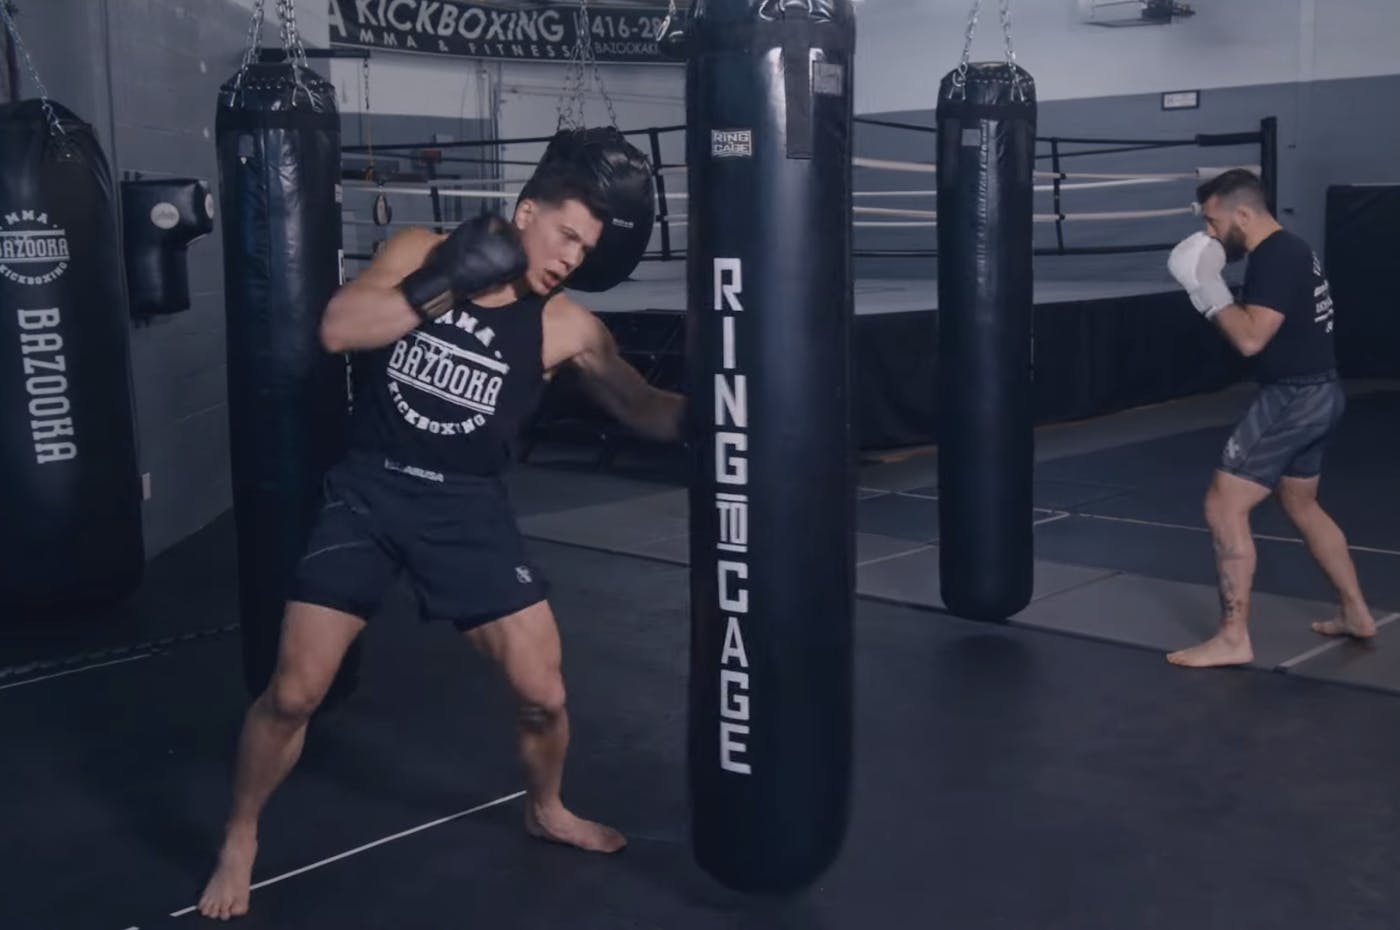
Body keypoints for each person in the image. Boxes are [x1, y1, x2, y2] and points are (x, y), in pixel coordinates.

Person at [197, 159, 685, 920]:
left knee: (544, 695)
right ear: (526, 212)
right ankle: (240, 833)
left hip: (466, 510)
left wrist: (736, 400)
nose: (570, 258)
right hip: (369, 491)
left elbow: (643, 407)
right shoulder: (420, 251)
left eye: (585, 250)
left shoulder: (568, 326)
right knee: (293, 693)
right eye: (565, 235)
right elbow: (338, 329)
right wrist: (446, 281)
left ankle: (546, 808)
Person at [1163, 167, 1375, 668]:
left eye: (1214, 222)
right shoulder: (1292, 249)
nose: (1211, 234)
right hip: (1323, 392)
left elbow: (1251, 339)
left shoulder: (1275, 257)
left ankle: (1232, 638)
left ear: (1243, 214)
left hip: (1294, 399)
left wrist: (1207, 290)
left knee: (1223, 506)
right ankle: (1357, 613)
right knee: (1302, 504)